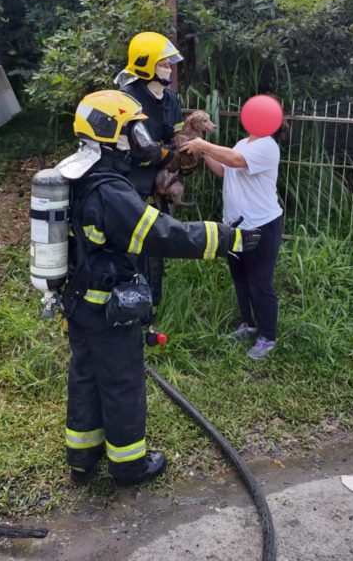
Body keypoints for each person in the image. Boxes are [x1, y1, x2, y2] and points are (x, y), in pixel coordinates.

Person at [56, 90, 261, 485]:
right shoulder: (108, 189)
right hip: (108, 308)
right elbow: (161, 234)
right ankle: (130, 465)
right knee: (122, 382)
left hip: (80, 302)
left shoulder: (77, 171)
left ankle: (82, 457)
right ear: (111, 131)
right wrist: (225, 239)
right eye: (133, 130)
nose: (140, 139)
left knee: (85, 376)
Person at [181, 109, 284, 361]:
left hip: (261, 224)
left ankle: (267, 336)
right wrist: (204, 152)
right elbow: (224, 169)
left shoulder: (267, 146)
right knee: (240, 278)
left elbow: (236, 161)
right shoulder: (242, 143)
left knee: (260, 282)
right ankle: (247, 323)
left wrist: (203, 143)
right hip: (235, 225)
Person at [114, 31, 192, 307]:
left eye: (169, 64)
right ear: (145, 65)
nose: (169, 69)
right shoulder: (126, 99)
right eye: (162, 64)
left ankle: (151, 305)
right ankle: (124, 304)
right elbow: (139, 148)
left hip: (157, 188)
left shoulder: (171, 99)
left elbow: (175, 138)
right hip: (128, 185)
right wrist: (166, 155)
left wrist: (184, 159)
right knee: (128, 250)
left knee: (155, 248)